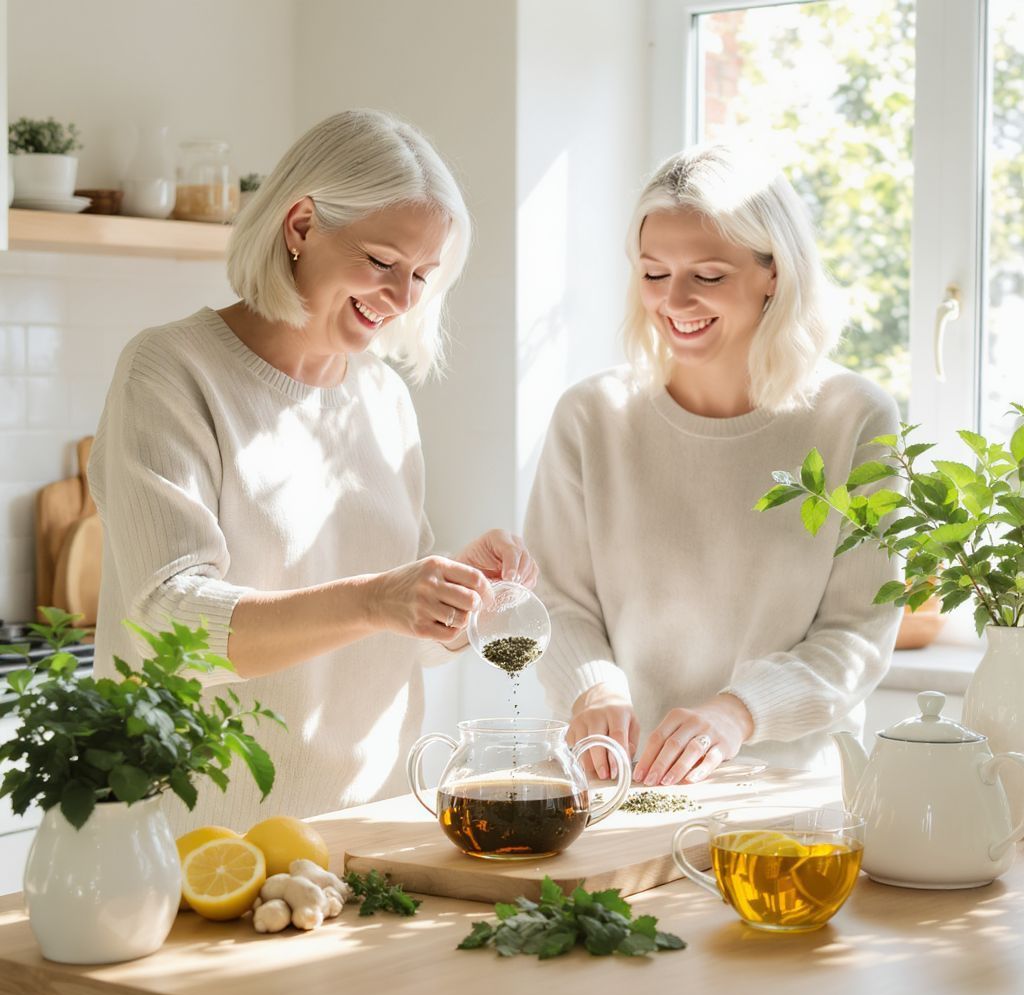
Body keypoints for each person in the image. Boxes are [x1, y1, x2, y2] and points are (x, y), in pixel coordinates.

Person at [89, 110, 537, 832]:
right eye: (382, 261)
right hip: (209, 843)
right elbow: (168, 622)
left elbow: (399, 644)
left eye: (422, 275)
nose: (403, 298)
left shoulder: (383, 396)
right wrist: (378, 598)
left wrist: (458, 596)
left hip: (376, 834)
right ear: (300, 226)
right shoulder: (172, 370)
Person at [523, 143, 901, 787]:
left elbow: (857, 633)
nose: (674, 301)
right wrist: (593, 688)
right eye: (653, 273)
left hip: (784, 792)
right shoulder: (592, 416)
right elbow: (555, 599)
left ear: (774, 273)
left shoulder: (853, 417)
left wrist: (737, 713)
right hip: (618, 783)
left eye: (708, 275)